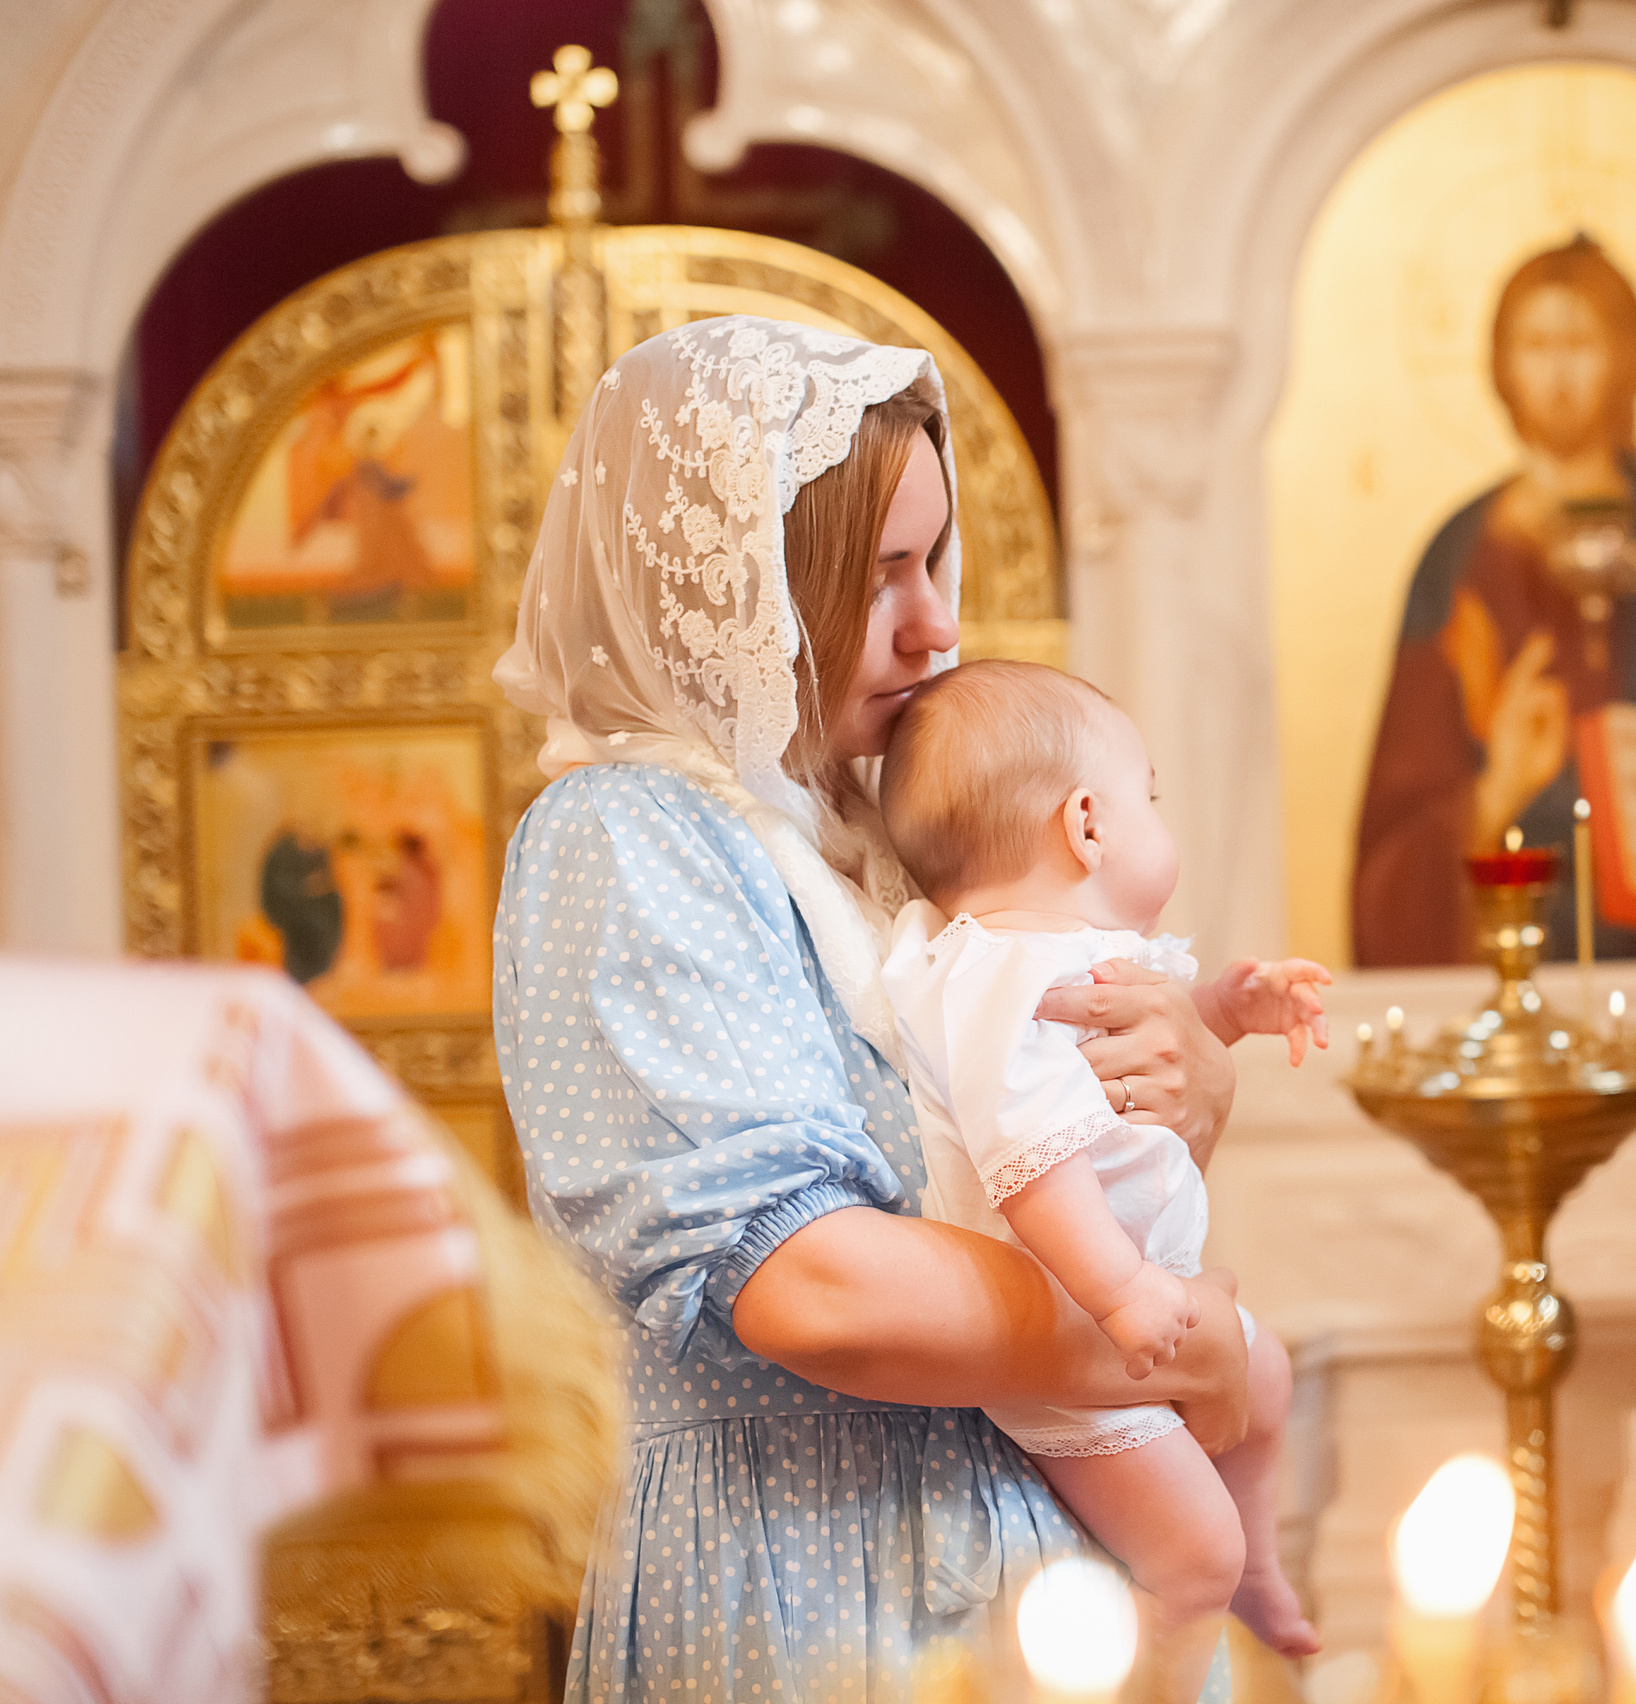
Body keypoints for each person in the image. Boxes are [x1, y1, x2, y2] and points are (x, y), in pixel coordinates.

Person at [492, 316, 1256, 1702]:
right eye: (876, 574)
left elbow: (1031, 1163)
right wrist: (1178, 1340)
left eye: (934, 559)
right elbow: (814, 1287)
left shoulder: (890, 834)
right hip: (817, 1567)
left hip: (1044, 1556)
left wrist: (1191, 1086)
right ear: (746, 583)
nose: (937, 624)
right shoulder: (629, 833)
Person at [877, 660, 1327, 1701]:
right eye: (1148, 796)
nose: (1158, 817)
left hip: (1133, 1306)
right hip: (1071, 1330)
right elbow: (1026, 1152)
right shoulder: (1005, 978)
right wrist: (1120, 1292)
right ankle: (1179, 1643)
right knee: (1191, 1553)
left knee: (1267, 1379)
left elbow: (1126, 1057)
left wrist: (1227, 1010)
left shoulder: (1063, 959)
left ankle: (1256, 1572)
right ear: (1086, 824)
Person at [1353, 236, 1636, 965]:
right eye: (1535, 345)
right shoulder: (1461, 556)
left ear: (1626, 359)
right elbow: (1399, 828)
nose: (1557, 372)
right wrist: (1499, 788)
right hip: (1523, 946)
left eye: (1580, 343)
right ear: (1502, 366)